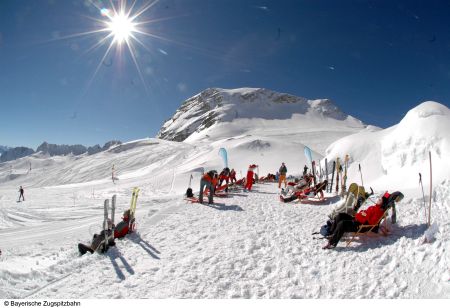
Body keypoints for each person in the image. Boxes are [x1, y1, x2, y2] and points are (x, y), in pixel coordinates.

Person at [323, 191, 404, 249]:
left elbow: (373, 222)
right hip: (356, 219)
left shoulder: (379, 211)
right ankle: (332, 233)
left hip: (360, 225)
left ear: (382, 203)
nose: (378, 200)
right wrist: (362, 213)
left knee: (342, 224)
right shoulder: (374, 207)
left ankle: (332, 243)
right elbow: (364, 213)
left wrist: (364, 215)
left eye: (380, 200)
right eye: (379, 199)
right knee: (340, 216)